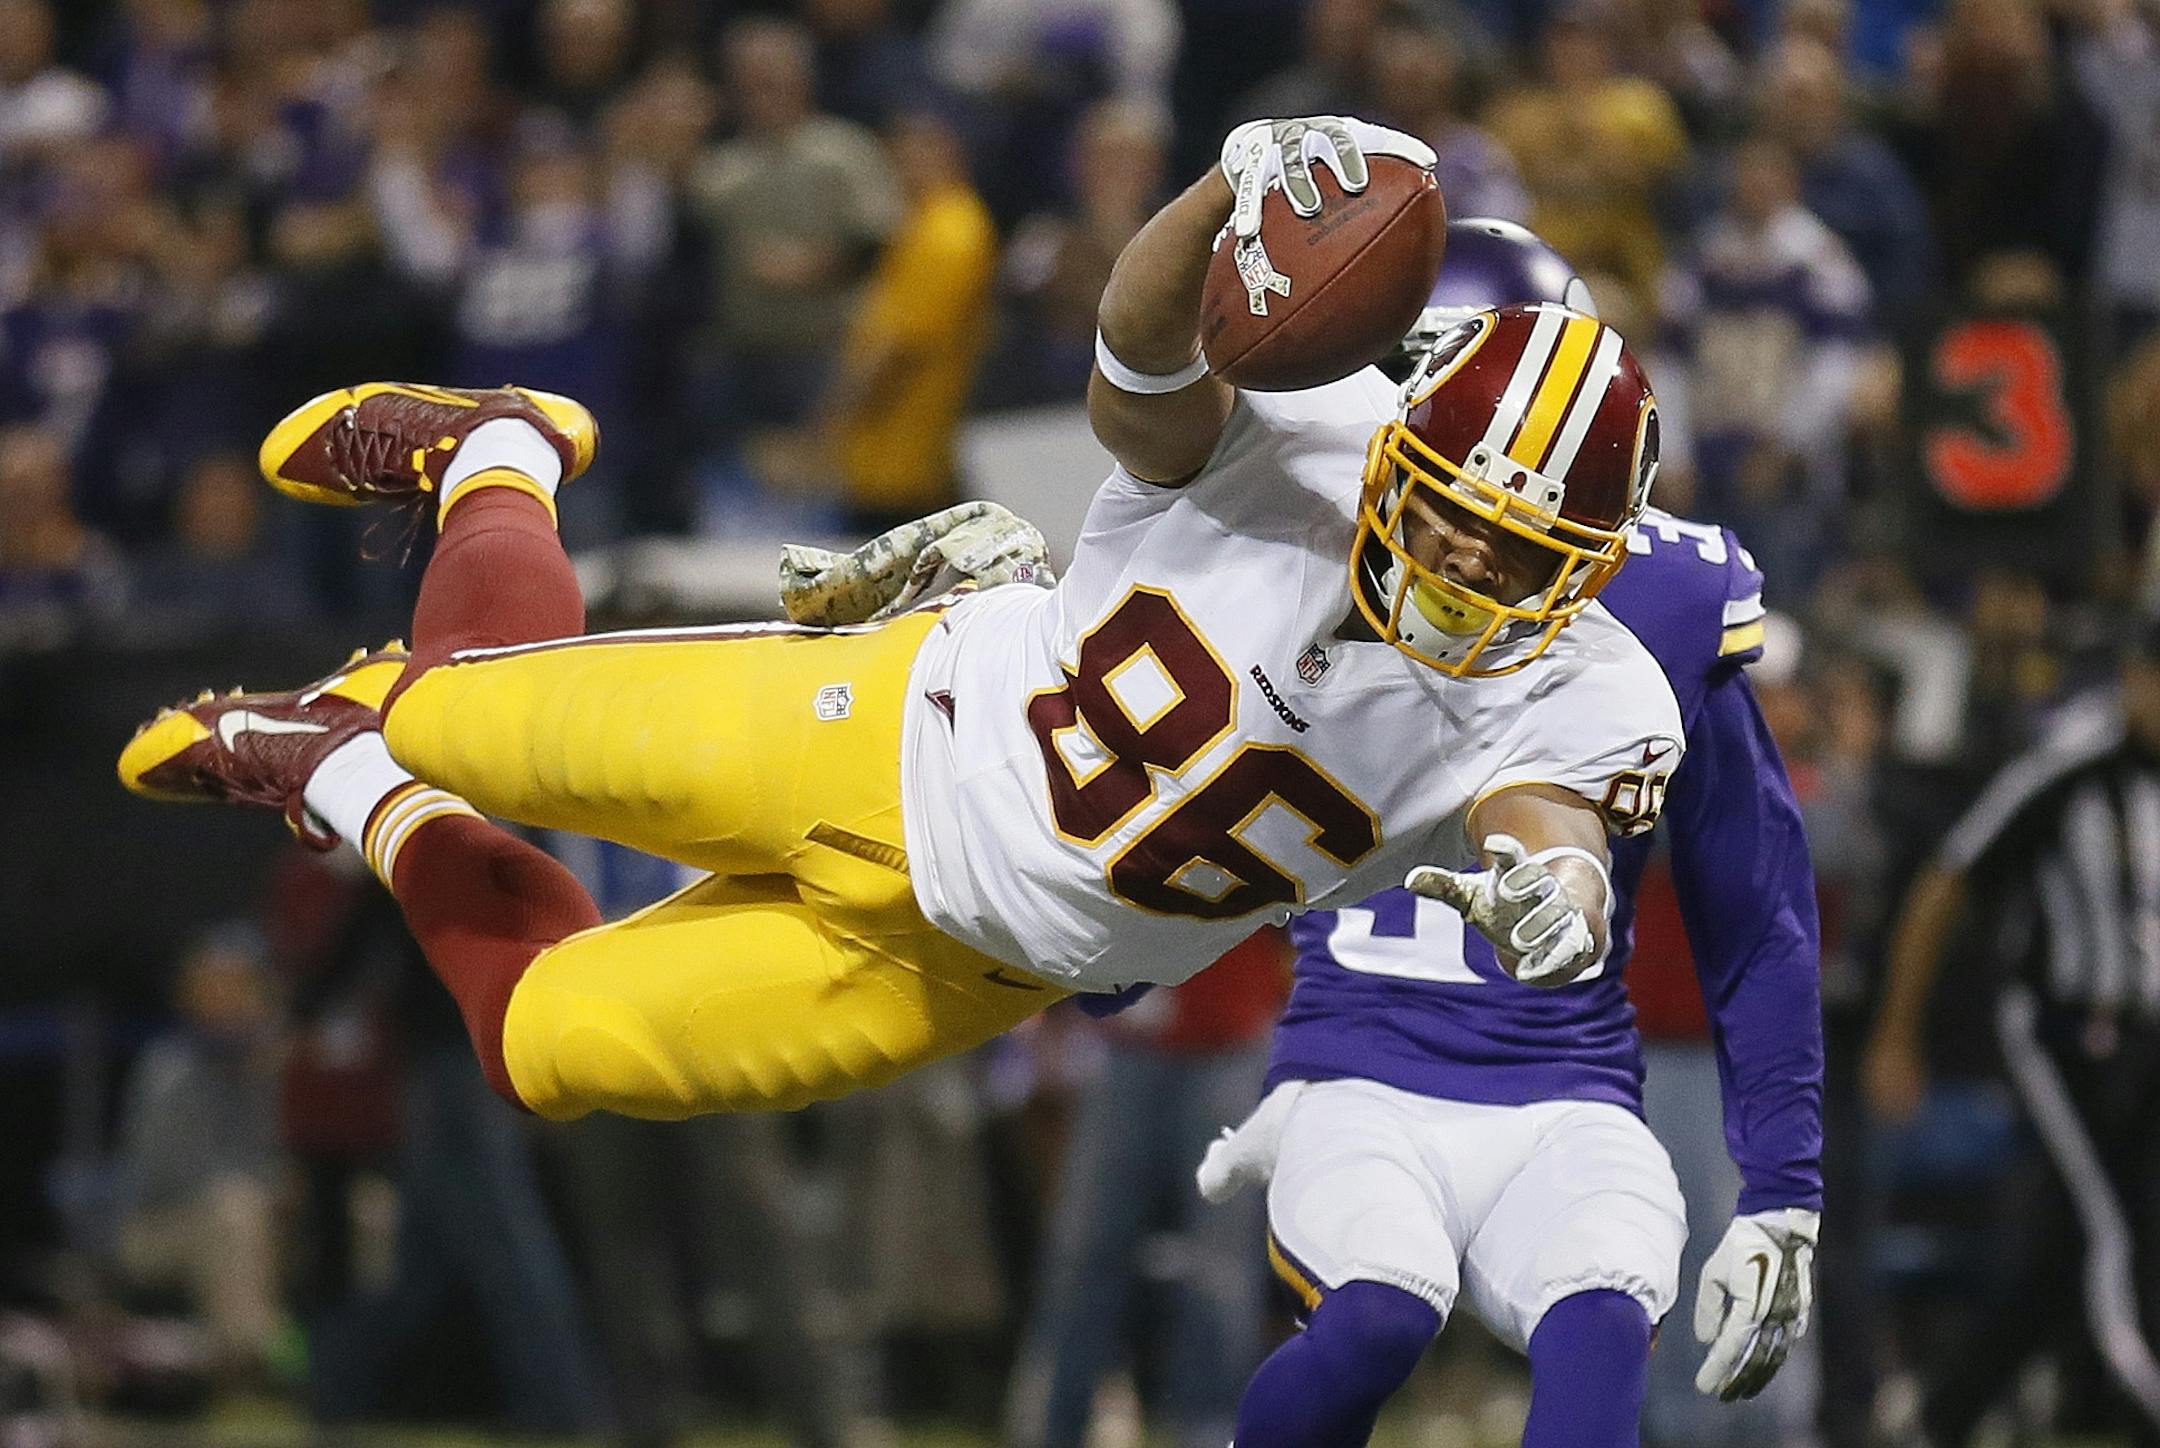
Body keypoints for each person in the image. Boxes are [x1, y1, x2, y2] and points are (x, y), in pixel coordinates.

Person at [116, 115, 1678, 1124]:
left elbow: (1552, 818)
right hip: (884, 738)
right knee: (449, 706)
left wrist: (1566, 892)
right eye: (1448, 518)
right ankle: (503, 451)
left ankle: (330, 773)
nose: (1463, 571)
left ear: (1598, 562)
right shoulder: (1306, 425)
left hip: (972, 970)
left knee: (542, 1045)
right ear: (1399, 439)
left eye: (1513, 553)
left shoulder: (1593, 689)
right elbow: (1136, 352)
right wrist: (1229, 183)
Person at [1196, 223, 1823, 1448]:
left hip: (1567, 1083)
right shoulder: (1294, 548)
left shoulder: (1657, 604)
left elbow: (1757, 898)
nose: (1476, 509)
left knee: (1599, 1333)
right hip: (1356, 1064)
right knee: (1377, 1311)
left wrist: (1787, 1186)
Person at [1862, 625, 2160, 1444]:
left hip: (2149, 1038)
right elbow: (1947, 881)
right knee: (2118, 1227)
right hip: (2067, 1036)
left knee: (2064, 1247)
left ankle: (1948, 1413)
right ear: (2135, 677)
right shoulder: (2071, 764)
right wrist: (1898, 1032)